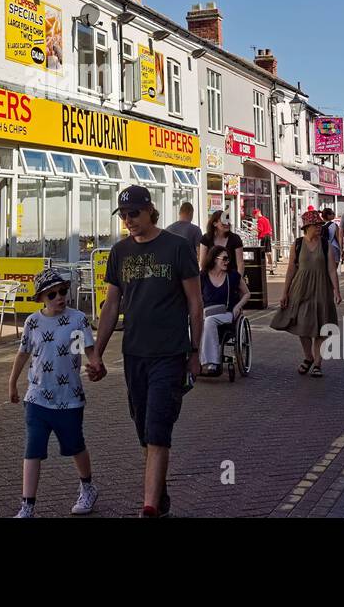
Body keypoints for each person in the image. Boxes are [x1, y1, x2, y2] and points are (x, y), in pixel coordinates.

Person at [92, 184, 202, 518]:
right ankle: (161, 497)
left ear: (150, 210)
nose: (128, 220)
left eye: (134, 214)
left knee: (157, 428)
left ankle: (150, 507)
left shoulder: (177, 248)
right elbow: (112, 306)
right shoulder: (120, 252)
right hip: (134, 354)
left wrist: (195, 352)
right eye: (123, 215)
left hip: (170, 353)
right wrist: (96, 353)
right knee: (144, 430)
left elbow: (195, 304)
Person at [9, 267, 99, 517]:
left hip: (69, 398)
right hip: (37, 397)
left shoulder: (78, 319)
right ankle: (27, 506)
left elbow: (88, 350)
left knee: (74, 446)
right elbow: (23, 353)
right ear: (41, 299)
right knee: (33, 450)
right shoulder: (32, 322)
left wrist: (95, 365)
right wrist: (12, 383)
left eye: (62, 292)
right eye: (52, 295)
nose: (60, 297)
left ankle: (88, 487)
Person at [271, 207, 341, 378]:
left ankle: (317, 363)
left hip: (321, 288)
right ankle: (308, 356)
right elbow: (290, 269)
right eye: (316, 225)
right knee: (302, 325)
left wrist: (337, 290)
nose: (319, 227)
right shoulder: (298, 244)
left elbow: (332, 269)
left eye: (320, 225)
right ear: (307, 227)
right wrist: (285, 293)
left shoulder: (325, 245)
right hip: (300, 288)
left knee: (320, 326)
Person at [199, 244, 249, 375]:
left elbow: (247, 293)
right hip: (206, 312)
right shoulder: (203, 276)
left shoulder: (233, 276)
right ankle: (192, 360)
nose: (227, 262)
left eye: (228, 259)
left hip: (226, 313)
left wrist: (238, 306)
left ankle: (213, 363)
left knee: (209, 321)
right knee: (193, 322)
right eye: (224, 258)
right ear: (215, 259)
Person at [199, 210, 243, 275]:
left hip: (230, 278)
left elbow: (240, 263)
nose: (227, 224)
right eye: (223, 221)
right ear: (215, 224)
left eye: (228, 221)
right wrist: (204, 279)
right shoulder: (206, 238)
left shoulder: (235, 239)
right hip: (211, 277)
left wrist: (238, 280)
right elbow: (202, 263)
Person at [252, 207, 274, 274]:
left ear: (258, 213)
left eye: (255, 215)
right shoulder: (266, 219)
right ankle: (271, 268)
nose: (255, 217)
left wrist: (253, 229)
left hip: (263, 237)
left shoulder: (260, 220)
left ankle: (262, 268)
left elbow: (260, 229)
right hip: (268, 236)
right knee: (268, 253)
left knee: (262, 253)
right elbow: (270, 229)